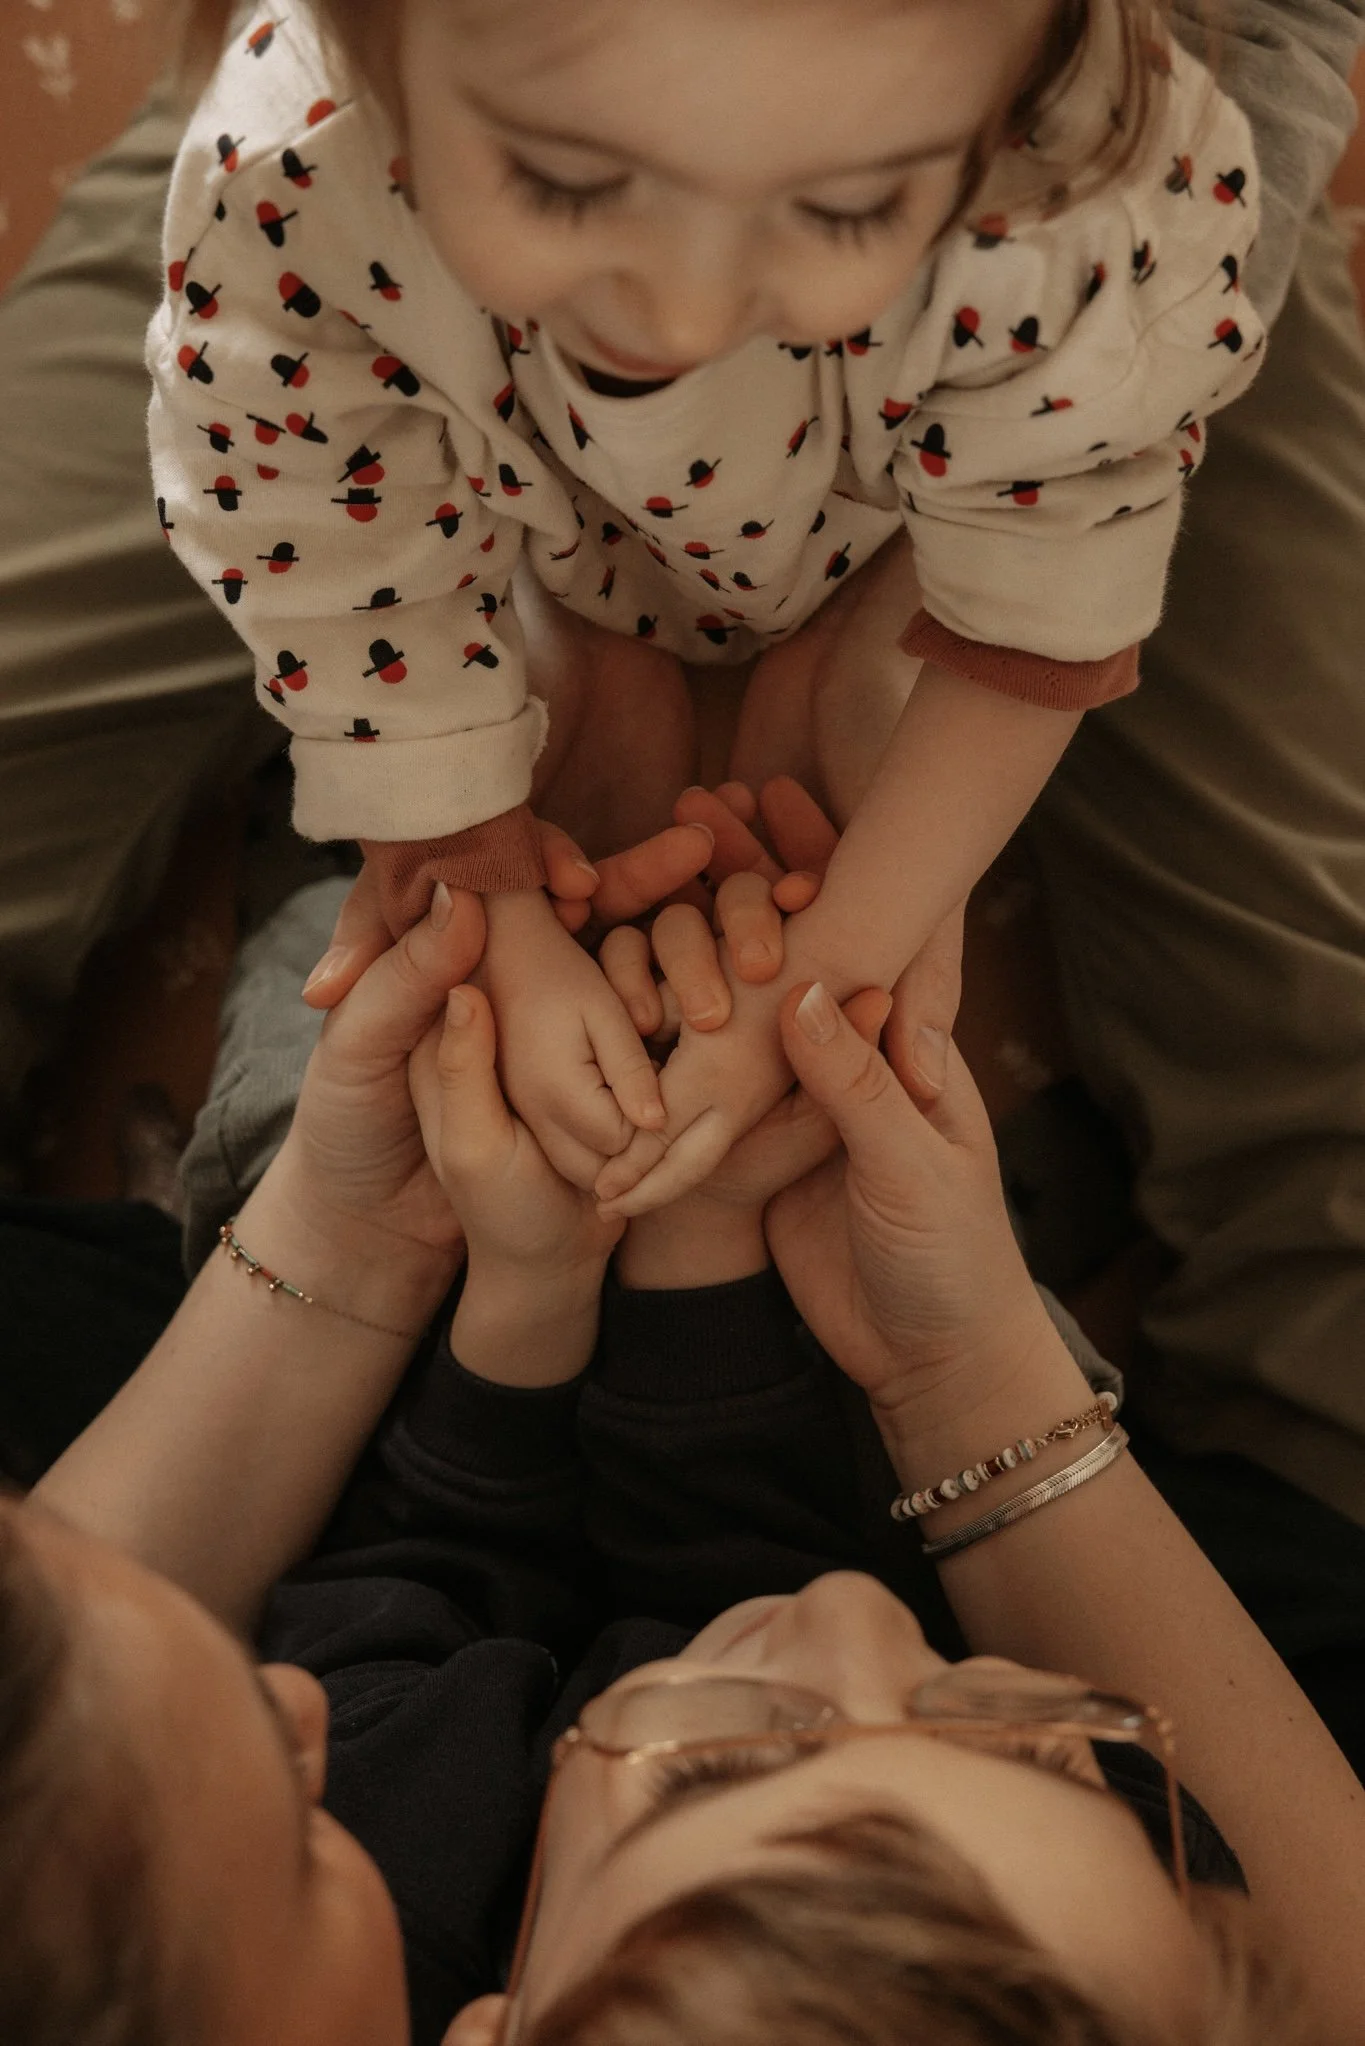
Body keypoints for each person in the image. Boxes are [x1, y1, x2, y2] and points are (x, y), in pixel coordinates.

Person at [7, 802, 1365, 2046]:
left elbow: (392, 1594)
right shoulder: (1131, 1880)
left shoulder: (395, 1840)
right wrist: (722, 1270)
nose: (852, 1611)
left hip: (446, 1383)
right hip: (869, 1413)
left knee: (338, 1029)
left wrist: (496, 1293)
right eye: (1028, 1736)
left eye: (726, 1761)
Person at [147, 0, 1266, 1209]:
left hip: (903, 504)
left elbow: (1047, 589)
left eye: (847, 208)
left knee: (1288, 994)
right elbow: (319, 540)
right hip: (511, 513)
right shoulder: (288, 174)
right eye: (570, 182)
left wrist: (840, 961)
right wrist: (483, 889)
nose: (684, 316)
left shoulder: (1091, 181)